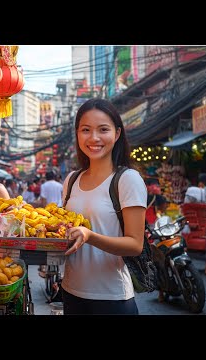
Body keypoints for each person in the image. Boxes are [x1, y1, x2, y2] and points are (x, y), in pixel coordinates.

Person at [61, 98, 147, 315]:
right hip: (71, 292)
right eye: (86, 130)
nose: (94, 138)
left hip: (112, 299)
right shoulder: (71, 180)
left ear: (117, 134)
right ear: (77, 134)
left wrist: (90, 236)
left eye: (103, 130)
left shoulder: (128, 179)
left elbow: (135, 244)